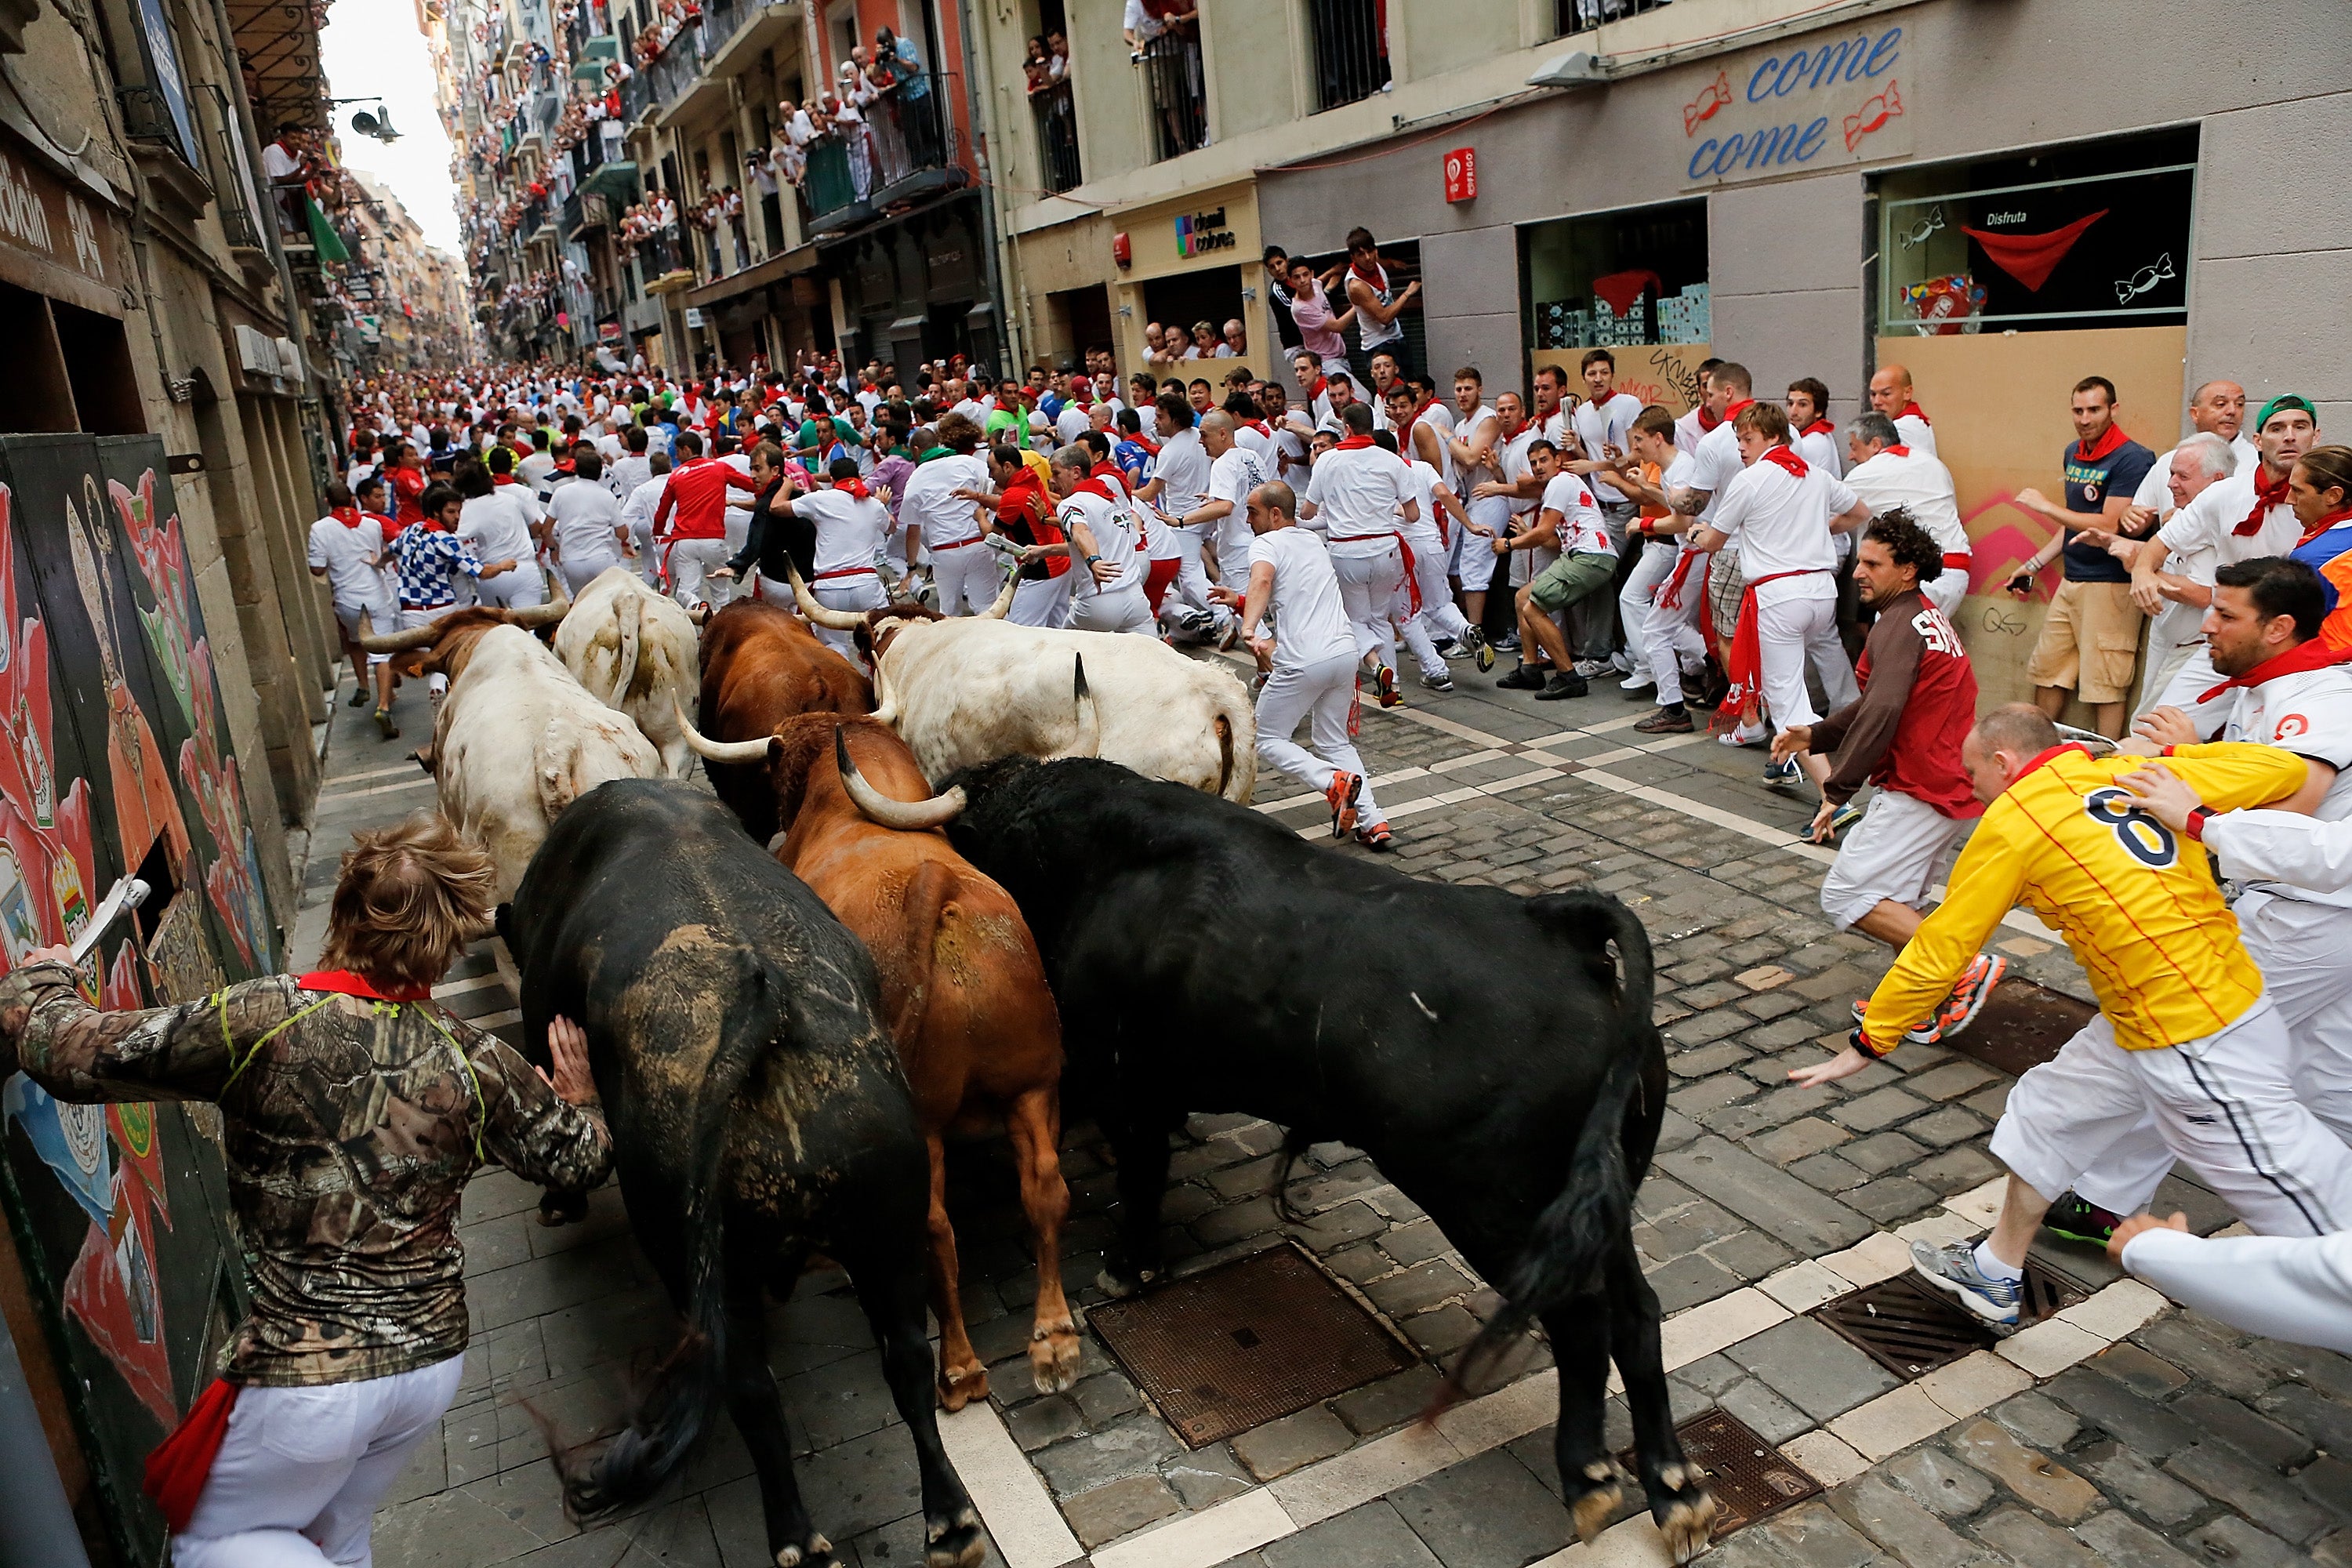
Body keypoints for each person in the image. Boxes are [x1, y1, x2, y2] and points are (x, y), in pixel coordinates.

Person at [0, 814, 611, 1568]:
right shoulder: (477, 1057)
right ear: (449, 941)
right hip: (428, 1367)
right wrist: (578, 1098)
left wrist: (43, 975)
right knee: (334, 1536)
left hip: (311, 1376)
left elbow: (72, 1054)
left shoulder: (266, 1019)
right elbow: (580, 1163)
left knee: (212, 1543)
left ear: (346, 912)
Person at [1798, 703, 2352, 1327]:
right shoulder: (2127, 771)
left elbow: (1941, 946)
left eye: (1973, 770)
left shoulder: (2012, 821)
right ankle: (1993, 1270)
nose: (1968, 784)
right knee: (2049, 1110)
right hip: (2187, 1007)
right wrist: (2179, 762)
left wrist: (1870, 1041)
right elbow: (2279, 769)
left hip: (2197, 1041)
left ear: (2005, 763)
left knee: (2309, 1209)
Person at [2044, 556, 2352, 1244]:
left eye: (2225, 615)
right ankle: (2336, 1231)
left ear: (2278, 628)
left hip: (2305, 915)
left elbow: (2299, 800)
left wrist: (2191, 768)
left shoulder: (2315, 700)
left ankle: (2102, 1198)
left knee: (2192, 1044)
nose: (2205, 625)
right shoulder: (2261, 686)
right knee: (2324, 1075)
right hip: (2308, 909)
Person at [1776, 509, 1999, 1043]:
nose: (1858, 572)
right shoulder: (1919, 614)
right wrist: (1818, 735)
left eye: (1873, 563)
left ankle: (1964, 969)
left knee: (1848, 896)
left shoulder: (1899, 624)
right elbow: (1881, 702)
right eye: (1860, 561)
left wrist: (1836, 791)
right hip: (1946, 779)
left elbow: (1883, 712)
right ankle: (1923, 1000)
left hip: (1923, 784)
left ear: (1907, 570)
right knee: (1902, 902)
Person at [1684, 399, 1867, 775]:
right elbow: (1860, 512)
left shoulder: (1749, 481)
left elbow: (1716, 541)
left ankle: (1833, 792)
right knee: (1793, 680)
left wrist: (1699, 532)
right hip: (1820, 593)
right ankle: (1783, 759)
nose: (1740, 447)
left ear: (1771, 437)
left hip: (1779, 598)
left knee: (1788, 702)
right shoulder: (1814, 475)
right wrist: (1822, 528)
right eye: (1738, 438)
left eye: (1747, 438)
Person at [1217, 479, 1392, 850]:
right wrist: (1240, 601)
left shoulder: (1266, 542)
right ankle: (1373, 820)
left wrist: (1248, 626)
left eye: (1252, 512)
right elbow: (1292, 589)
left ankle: (1332, 783)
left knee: (1264, 737)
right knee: (1335, 742)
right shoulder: (1312, 541)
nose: (1247, 519)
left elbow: (1264, 578)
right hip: (1344, 654)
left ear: (1275, 514)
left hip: (1304, 660)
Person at [2007, 376, 2157, 738]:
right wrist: (2034, 564)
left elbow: (2108, 522)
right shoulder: (2073, 451)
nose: (2085, 418)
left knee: (2106, 682)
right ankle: (2038, 754)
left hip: (2112, 584)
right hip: (2071, 579)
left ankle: (2110, 761)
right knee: (2049, 670)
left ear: (2113, 410)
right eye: (2078, 410)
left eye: (2094, 410)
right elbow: (2074, 523)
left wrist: (2045, 507)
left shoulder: (2133, 457)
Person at [1301, 402, 1419, 707]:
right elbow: (1413, 514)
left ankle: (1376, 665)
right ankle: (1393, 685)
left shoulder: (1327, 460)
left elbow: (1308, 510)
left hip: (1345, 550)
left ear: (1347, 428)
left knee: (1353, 619)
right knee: (1381, 617)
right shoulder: (1392, 461)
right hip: (1384, 548)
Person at [1493, 441, 1614, 700]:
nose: (1538, 467)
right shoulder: (1561, 486)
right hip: (1588, 556)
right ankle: (1530, 668)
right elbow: (1555, 541)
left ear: (1557, 460)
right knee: (1523, 597)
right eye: (1534, 463)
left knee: (1533, 608)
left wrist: (1509, 544)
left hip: (1589, 557)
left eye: (1543, 460)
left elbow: (1544, 532)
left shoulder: (1560, 482)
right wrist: (1530, 535)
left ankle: (1569, 676)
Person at [390, 485, 519, 698]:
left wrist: (376, 563)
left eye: (459, 511)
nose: (457, 517)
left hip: (410, 614)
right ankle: (441, 689)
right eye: (451, 512)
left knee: (428, 661)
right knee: (448, 660)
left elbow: (390, 551)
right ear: (435, 513)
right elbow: (480, 572)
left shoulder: (410, 531)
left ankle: (438, 690)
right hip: (442, 612)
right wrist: (503, 565)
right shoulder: (446, 539)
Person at [1842, 413, 1969, 616]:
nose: (1851, 456)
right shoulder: (1934, 464)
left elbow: (1832, 517)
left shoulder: (1866, 473)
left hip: (1922, 574)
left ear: (1875, 444)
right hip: (1958, 571)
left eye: (1854, 447)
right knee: (1922, 640)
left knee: (1893, 636)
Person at [308, 480, 400, 737]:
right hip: (377, 596)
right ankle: (383, 705)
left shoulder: (320, 529)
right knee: (382, 653)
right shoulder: (373, 523)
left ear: (327, 502)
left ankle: (363, 684)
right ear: (352, 500)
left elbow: (317, 568)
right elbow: (393, 548)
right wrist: (378, 559)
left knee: (355, 640)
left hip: (347, 600)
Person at [1135, 390, 1226, 641]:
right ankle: (1206, 615)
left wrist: (1122, 494)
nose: (1155, 421)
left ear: (1174, 420)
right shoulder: (1199, 436)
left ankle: (1224, 613)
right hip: (1205, 512)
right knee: (1204, 569)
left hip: (1184, 520)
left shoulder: (1170, 451)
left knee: (1190, 576)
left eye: (1160, 417)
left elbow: (1151, 491)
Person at [651, 429, 761, 617]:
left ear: (686, 450)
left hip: (685, 541)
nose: (675, 455)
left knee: (686, 591)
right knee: (720, 592)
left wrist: (658, 531)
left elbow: (662, 511)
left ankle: (697, 607)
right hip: (714, 539)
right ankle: (725, 628)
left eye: (677, 451)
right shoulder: (718, 467)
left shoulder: (676, 476)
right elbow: (750, 484)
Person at [1046, 442, 1155, 633]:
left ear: (1076, 472)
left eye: (1056, 473)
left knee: (1066, 657)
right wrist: (1045, 550)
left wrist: (1094, 560)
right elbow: (1098, 540)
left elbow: (1081, 532)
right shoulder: (1109, 497)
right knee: (1151, 660)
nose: (1052, 480)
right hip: (1135, 599)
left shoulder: (1071, 503)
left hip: (1098, 602)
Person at [898, 413, 996, 615]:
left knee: (950, 613)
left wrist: (911, 567)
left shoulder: (915, 479)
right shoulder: (967, 463)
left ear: (916, 450)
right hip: (978, 544)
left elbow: (913, 530)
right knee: (988, 609)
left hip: (945, 553)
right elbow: (994, 489)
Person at [707, 442, 796, 604]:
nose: (753, 475)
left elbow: (756, 541)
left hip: (777, 580)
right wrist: (734, 502)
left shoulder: (766, 503)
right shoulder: (796, 493)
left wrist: (737, 566)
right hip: (806, 580)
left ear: (775, 470)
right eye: (751, 469)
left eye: (758, 469)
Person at [546, 450, 630, 594]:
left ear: (576, 469)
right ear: (599, 472)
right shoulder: (607, 496)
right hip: (601, 559)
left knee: (582, 604)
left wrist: (553, 549)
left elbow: (546, 530)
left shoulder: (561, 492)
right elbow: (622, 533)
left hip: (571, 561)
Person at [1341, 228, 1418, 384]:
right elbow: (1384, 317)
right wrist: (1407, 294)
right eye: (1361, 255)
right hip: (1378, 345)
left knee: (1411, 386)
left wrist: (1394, 263)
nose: (1368, 258)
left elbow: (1382, 262)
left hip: (1396, 337)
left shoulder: (1375, 262)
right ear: (1353, 258)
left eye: (1371, 252)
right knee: (1395, 395)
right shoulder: (1356, 285)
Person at [1286, 256, 1355, 387]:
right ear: (1290, 281)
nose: (1302, 281)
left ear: (1311, 274)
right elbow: (1338, 326)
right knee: (1362, 396)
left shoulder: (1316, 285)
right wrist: (1359, 303)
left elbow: (1318, 281)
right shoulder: (1300, 309)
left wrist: (1333, 271)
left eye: (1305, 275)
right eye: (1296, 277)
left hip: (1340, 357)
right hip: (1327, 362)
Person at [1867, 361, 1935, 456]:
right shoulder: (1916, 422)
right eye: (1873, 394)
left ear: (1907, 393)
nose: (1877, 401)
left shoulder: (1903, 427)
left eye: (1886, 394)